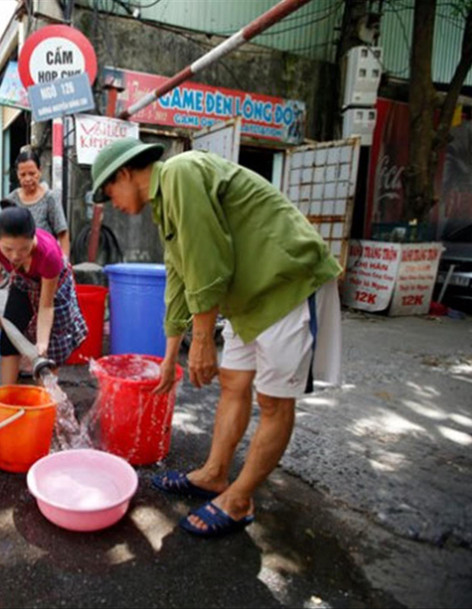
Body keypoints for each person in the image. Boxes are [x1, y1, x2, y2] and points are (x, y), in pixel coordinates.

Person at [91, 138, 342, 538]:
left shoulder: (180, 173)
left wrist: (203, 340)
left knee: (274, 401)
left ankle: (240, 499)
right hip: (245, 299)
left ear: (124, 174)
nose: (113, 204)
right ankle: (214, 474)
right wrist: (170, 356)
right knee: (232, 383)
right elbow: (178, 279)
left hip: (286, 283)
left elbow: (208, 263)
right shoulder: (166, 206)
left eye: (109, 193)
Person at [0, 207, 87, 385]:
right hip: (23, 279)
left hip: (55, 283)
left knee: (52, 347)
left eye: (23, 249)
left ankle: (45, 399)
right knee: (10, 335)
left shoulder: (48, 255)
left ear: (33, 238)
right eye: (8, 249)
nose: (15, 256)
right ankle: (6, 396)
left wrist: (41, 344)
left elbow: (46, 306)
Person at [0, 147, 69, 286]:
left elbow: (62, 233)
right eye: (23, 175)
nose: (27, 179)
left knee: (45, 305)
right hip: (20, 268)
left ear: (39, 172)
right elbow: (3, 235)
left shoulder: (50, 198)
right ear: (17, 175)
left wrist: (64, 263)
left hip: (45, 265)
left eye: (32, 173)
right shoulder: (11, 200)